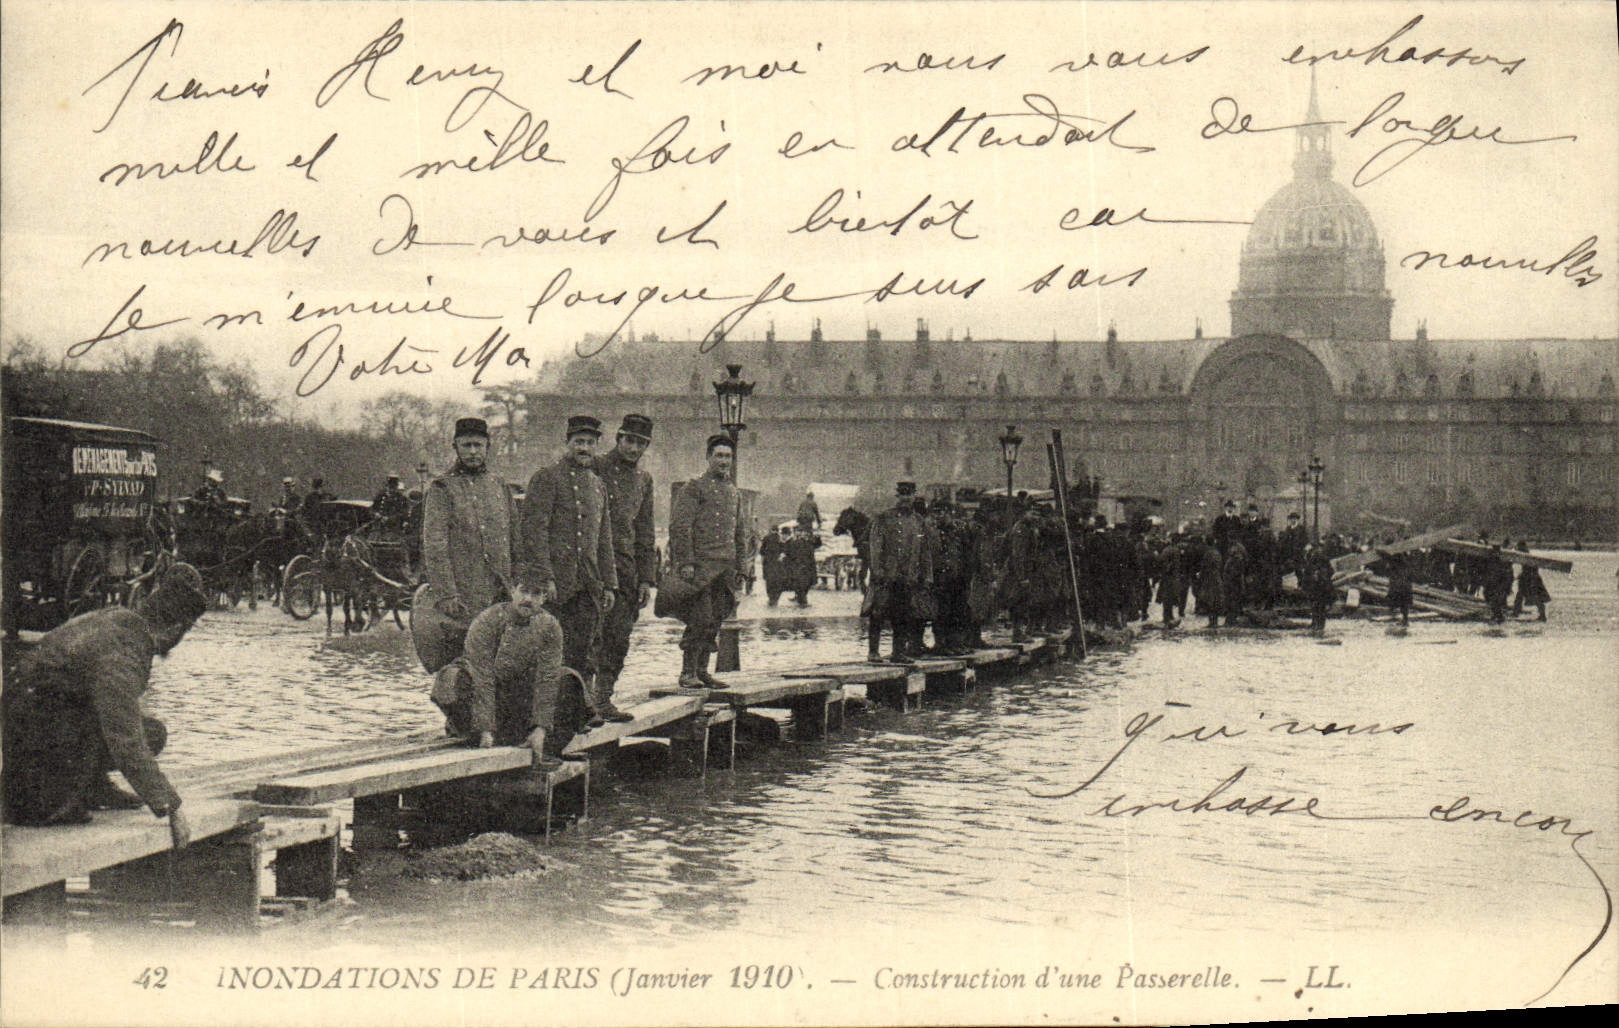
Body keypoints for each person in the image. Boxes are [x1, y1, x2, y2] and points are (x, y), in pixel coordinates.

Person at [3, 565, 208, 852]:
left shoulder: (119, 619)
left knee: (151, 733)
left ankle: (94, 786)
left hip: (30, 718)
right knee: (129, 732)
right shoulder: (126, 649)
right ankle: (53, 796)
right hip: (35, 731)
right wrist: (171, 806)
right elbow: (123, 737)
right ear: (174, 629)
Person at [520, 415, 618, 716]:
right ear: (568, 443)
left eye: (589, 443)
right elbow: (534, 530)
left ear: (597, 446)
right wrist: (544, 577)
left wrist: (609, 583)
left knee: (585, 647)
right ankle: (545, 714)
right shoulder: (547, 477)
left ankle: (581, 709)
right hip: (556, 583)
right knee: (550, 648)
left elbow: (603, 538)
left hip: (588, 581)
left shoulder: (598, 485)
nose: (584, 448)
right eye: (578, 442)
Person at [416, 417, 520, 697]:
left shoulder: (499, 486)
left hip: (500, 592)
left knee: (502, 660)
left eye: (478, 445)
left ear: (487, 447)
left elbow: (516, 538)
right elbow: (435, 545)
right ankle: (461, 714)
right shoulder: (442, 488)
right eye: (466, 446)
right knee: (464, 665)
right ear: (456, 447)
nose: (473, 452)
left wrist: (518, 583)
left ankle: (495, 714)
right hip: (463, 595)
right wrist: (447, 593)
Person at [435, 584, 588, 770]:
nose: (528, 599)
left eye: (535, 593)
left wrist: (541, 727)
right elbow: (482, 675)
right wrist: (485, 729)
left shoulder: (550, 625)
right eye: (524, 591)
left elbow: (547, 678)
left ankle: (543, 746)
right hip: (485, 699)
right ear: (513, 591)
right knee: (451, 677)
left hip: (517, 700)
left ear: (544, 598)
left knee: (568, 679)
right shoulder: (488, 620)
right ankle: (474, 734)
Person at [590, 414, 657, 725]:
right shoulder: (596, 467)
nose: (633, 448)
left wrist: (646, 578)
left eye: (640, 443)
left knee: (618, 638)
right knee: (588, 636)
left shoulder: (644, 480)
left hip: (625, 570)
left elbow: (645, 531)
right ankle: (581, 702)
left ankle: (603, 699)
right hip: (592, 566)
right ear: (618, 439)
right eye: (629, 440)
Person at [667, 434, 748, 691]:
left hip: (725, 569)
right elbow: (680, 527)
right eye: (719, 456)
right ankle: (687, 672)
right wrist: (686, 562)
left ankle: (702, 671)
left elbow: (740, 532)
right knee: (699, 618)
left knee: (715, 618)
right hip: (701, 567)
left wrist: (742, 567)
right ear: (708, 458)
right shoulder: (694, 488)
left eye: (728, 457)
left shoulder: (734, 493)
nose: (724, 461)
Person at [866, 481, 934, 662]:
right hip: (886, 575)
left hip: (908, 576)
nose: (906, 498)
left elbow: (924, 551)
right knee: (878, 612)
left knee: (903, 614)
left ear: (914, 496)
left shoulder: (919, 521)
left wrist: (927, 576)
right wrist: (877, 570)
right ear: (897, 496)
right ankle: (873, 652)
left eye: (909, 494)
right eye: (902, 494)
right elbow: (875, 546)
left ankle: (898, 653)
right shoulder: (884, 518)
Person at [760, 524, 786, 606]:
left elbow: (761, 550)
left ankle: (771, 598)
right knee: (778, 581)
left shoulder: (766, 538)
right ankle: (776, 598)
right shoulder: (780, 538)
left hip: (768, 563)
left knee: (769, 581)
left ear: (771, 530)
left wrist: (764, 557)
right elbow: (784, 550)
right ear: (778, 530)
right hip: (778, 563)